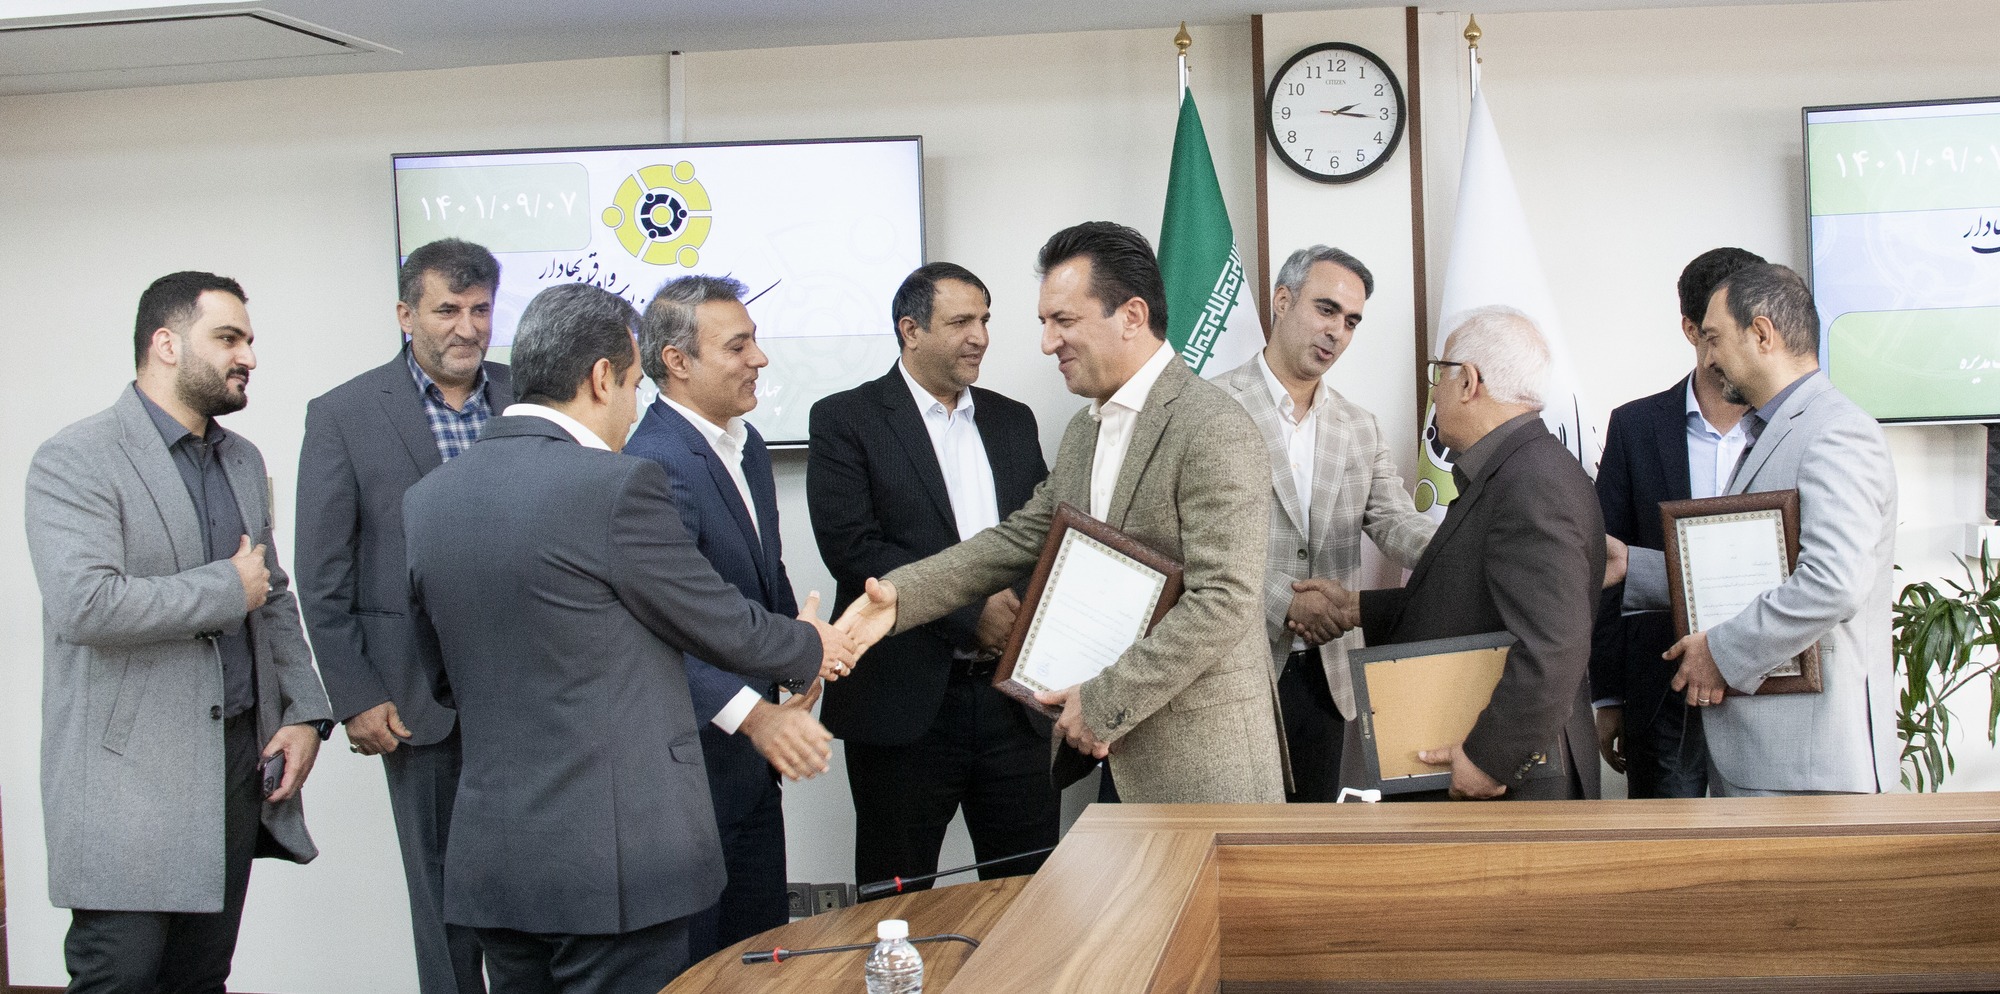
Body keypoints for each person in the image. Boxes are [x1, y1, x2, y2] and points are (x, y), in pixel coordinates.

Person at [403, 282, 857, 993]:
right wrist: (812, 644)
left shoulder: (428, 499)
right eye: (635, 385)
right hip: (614, 866)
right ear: (600, 378)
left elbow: (436, 677)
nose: (633, 408)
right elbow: (713, 620)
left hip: (496, 866)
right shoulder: (614, 486)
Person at [835, 222, 1285, 804]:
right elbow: (1020, 538)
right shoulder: (1083, 430)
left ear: (1131, 315)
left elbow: (1224, 599)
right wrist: (898, 598)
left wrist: (1101, 702)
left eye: (1063, 321)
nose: (1048, 343)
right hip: (1113, 752)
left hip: (1201, 759)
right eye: (1044, 323)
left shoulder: (1213, 426)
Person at [25, 271, 334, 991]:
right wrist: (225, 588)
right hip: (126, 781)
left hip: (235, 768)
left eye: (248, 340)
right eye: (228, 338)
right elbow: (84, 605)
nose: (248, 356)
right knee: (121, 977)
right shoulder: (76, 458)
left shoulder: (242, 459)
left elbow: (272, 593)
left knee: (200, 979)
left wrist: (305, 713)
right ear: (165, 344)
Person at [294, 238, 509, 994]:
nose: (467, 327)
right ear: (405, 314)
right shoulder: (344, 414)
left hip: (534, 691)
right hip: (417, 704)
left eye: (480, 309)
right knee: (443, 898)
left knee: (537, 896)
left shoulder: (529, 393)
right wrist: (355, 694)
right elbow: (322, 576)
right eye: (447, 309)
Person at [806, 262, 1058, 894]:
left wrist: (1018, 613)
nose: (980, 337)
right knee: (895, 895)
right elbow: (853, 548)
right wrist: (970, 613)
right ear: (910, 330)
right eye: (961, 322)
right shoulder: (846, 418)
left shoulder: (1012, 420)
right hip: (904, 701)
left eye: (985, 320)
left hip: (1012, 702)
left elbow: (1043, 536)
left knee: (1027, 893)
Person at [1612, 263, 1898, 796]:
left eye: (1715, 338)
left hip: (1810, 768)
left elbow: (1833, 583)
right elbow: (1757, 570)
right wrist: (1635, 567)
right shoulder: (1771, 429)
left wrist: (1719, 652)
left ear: (1762, 334)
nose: (1708, 358)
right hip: (1770, 762)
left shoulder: (1834, 433)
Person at [623, 274, 830, 958]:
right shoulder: (652, 464)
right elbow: (659, 628)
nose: (759, 359)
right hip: (694, 769)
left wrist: (804, 658)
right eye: (737, 346)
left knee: (760, 952)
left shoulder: (747, 444)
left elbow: (762, 576)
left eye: (755, 342)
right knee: (701, 961)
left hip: (754, 766)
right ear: (677, 362)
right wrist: (755, 713)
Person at [1326, 306, 1604, 801]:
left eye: (1439, 373)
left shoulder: (1531, 483)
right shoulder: (1520, 468)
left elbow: (1553, 646)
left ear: (1469, 382)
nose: (1434, 391)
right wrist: (1355, 608)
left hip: (1514, 788)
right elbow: (1471, 600)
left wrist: (1490, 759)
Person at [1215, 246, 1435, 801]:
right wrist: (1283, 603)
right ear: (1282, 301)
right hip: (1231, 671)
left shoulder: (1360, 426)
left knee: (1308, 838)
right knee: (1235, 837)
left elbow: (1395, 523)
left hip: (1327, 678)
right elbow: (1184, 543)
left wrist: (1467, 541)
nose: (1337, 331)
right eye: (1326, 309)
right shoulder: (1207, 408)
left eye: (1352, 321)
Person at [1589, 247, 1763, 798]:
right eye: (1727, 328)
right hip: (1662, 686)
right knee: (1667, 844)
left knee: (1765, 845)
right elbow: (1605, 562)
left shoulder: (1790, 428)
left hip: (1769, 682)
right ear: (1692, 330)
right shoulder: (1635, 427)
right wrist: (1608, 695)